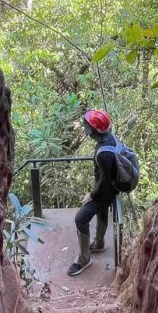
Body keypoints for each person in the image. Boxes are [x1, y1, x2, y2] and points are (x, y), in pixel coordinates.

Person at [67, 109, 118, 276]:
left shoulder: (104, 154)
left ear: (95, 131)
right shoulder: (110, 139)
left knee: (80, 219)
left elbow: (103, 182)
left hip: (104, 191)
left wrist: (92, 195)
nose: (85, 128)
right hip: (110, 189)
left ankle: (84, 259)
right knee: (102, 212)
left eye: (88, 126)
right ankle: (99, 243)